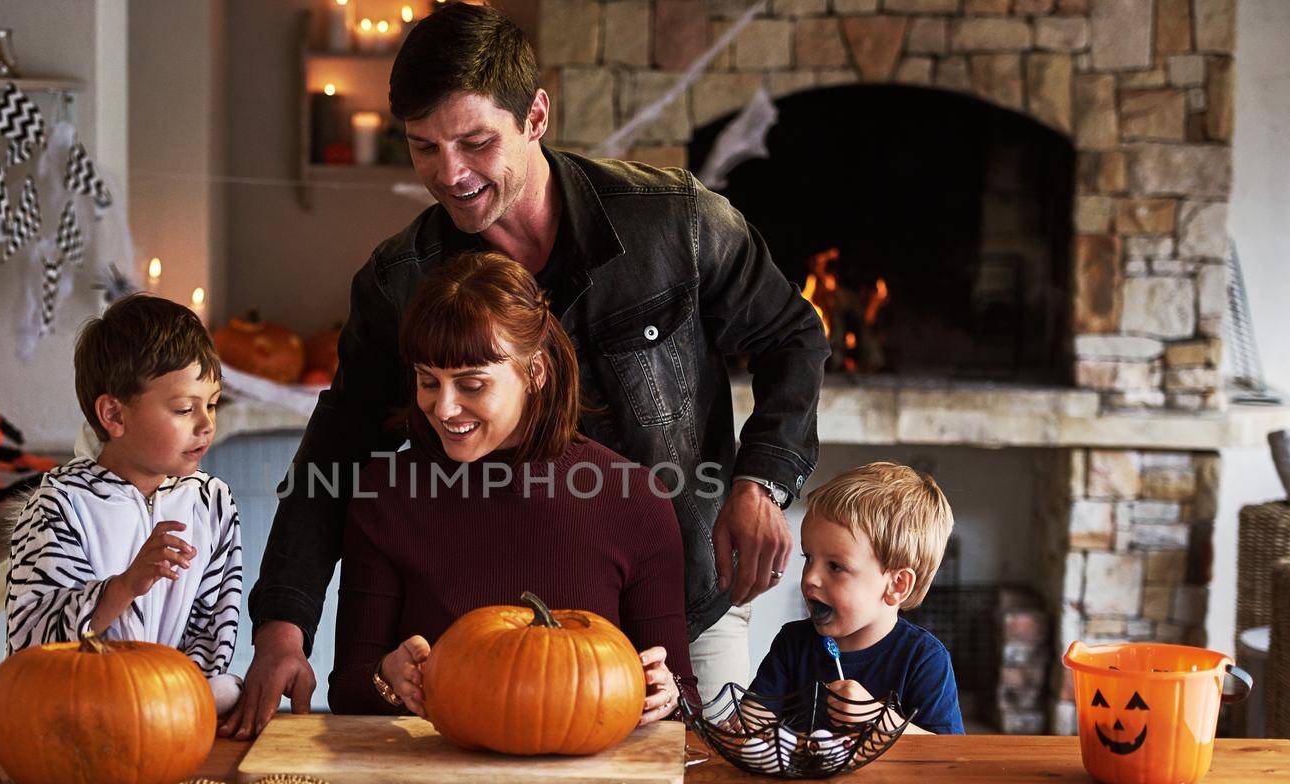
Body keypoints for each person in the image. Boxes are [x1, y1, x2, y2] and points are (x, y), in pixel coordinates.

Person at [225, 3, 828, 737]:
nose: (450, 175)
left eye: (476, 143)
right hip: (483, 640)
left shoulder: (676, 221)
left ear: (535, 116)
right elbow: (335, 451)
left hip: (676, 618)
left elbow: (794, 334)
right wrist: (284, 624)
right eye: (424, 148)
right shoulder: (398, 282)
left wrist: (761, 482)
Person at [327, 252, 693, 722]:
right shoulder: (386, 495)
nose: (443, 408)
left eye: (472, 385)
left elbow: (681, 694)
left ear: (534, 372)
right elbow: (349, 687)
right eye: (428, 382)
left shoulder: (636, 502)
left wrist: (666, 694)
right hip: (436, 779)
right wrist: (387, 677)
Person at [6, 294, 245, 715]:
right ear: (114, 416)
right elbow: (34, 646)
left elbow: (211, 632)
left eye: (211, 404)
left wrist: (170, 701)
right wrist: (124, 587)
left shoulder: (213, 503)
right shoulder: (58, 505)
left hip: (169, 710)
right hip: (77, 708)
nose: (207, 424)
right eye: (184, 408)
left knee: (226, 690)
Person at [748, 462, 963, 735]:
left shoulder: (924, 659)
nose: (810, 578)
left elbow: (947, 756)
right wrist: (747, 722)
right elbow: (755, 718)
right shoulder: (793, 644)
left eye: (835, 567)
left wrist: (877, 716)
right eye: (808, 558)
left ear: (897, 585)